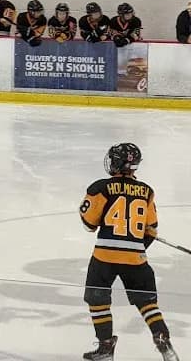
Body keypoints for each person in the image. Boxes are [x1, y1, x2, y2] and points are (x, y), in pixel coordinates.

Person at [79, 143, 179, 361]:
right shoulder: (146, 191)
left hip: (104, 257)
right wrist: (135, 246)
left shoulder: (100, 187)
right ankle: (165, 346)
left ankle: (106, 348)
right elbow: (151, 230)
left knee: (98, 300)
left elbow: (89, 224)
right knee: (147, 303)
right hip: (136, 258)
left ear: (115, 163)